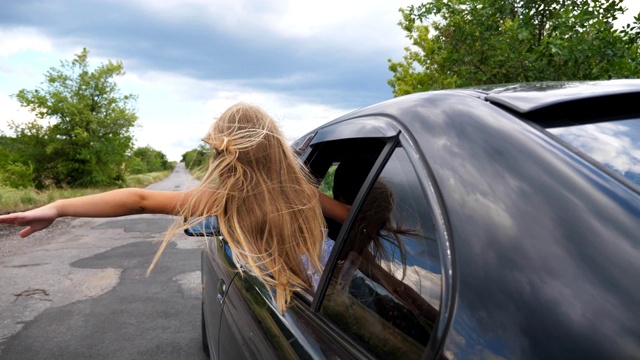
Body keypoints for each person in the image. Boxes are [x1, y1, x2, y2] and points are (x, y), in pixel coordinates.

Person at [0, 103, 349, 314]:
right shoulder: (304, 192)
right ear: (274, 147)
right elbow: (354, 220)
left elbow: (138, 199)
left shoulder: (228, 198)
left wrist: (58, 207)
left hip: (297, 307)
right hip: (330, 296)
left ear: (225, 152)